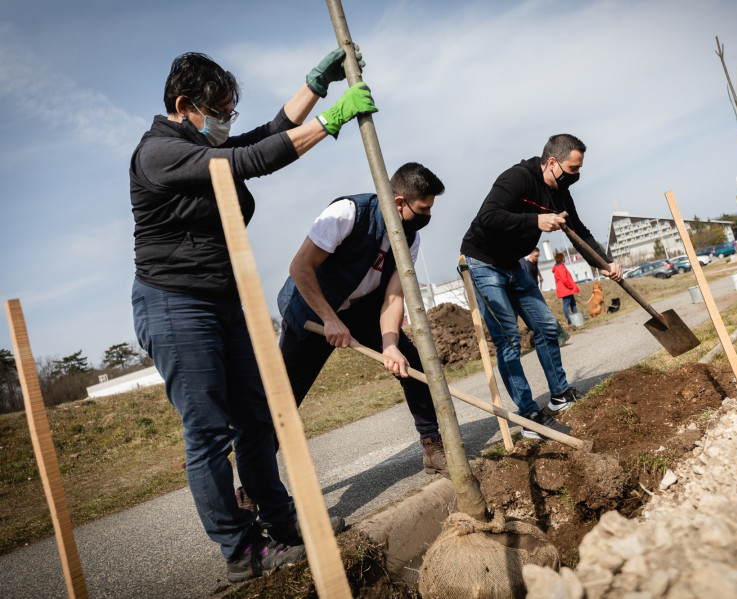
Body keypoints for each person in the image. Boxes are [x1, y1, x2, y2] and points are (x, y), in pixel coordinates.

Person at [130, 49, 377, 583]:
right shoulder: (160, 152)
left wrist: (315, 87)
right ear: (184, 106)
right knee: (208, 432)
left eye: (229, 111)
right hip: (175, 305)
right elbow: (251, 160)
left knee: (257, 418)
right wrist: (332, 121)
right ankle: (241, 550)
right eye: (218, 111)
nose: (226, 121)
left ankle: (284, 524)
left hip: (224, 301)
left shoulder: (200, 143)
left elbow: (266, 135)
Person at [277, 163, 448, 477]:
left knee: (411, 365)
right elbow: (300, 267)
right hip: (311, 311)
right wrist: (329, 318)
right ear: (399, 202)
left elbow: (393, 298)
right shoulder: (347, 214)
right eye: (423, 208)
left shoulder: (409, 239)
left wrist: (390, 345)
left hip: (361, 309)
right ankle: (254, 488)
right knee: (282, 400)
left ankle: (432, 446)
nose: (428, 215)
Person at [460, 133, 623, 439]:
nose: (576, 175)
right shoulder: (517, 178)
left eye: (579, 169)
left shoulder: (560, 193)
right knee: (509, 339)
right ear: (551, 162)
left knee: (547, 327)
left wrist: (606, 262)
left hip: (513, 264)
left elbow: (580, 231)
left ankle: (560, 394)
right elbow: (489, 216)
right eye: (572, 169)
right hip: (483, 262)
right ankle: (529, 416)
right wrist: (535, 220)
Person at [520, 248, 569, 346]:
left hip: (534, 290)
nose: (537, 258)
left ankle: (559, 334)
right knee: (542, 313)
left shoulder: (534, 262)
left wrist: (540, 276)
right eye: (536, 256)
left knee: (544, 313)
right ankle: (558, 335)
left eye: (538, 256)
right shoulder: (527, 265)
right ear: (530, 254)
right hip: (530, 291)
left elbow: (536, 268)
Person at [552, 252, 580, 324]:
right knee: (567, 305)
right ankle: (570, 320)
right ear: (562, 259)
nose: (565, 258)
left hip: (565, 289)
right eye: (564, 257)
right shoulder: (561, 267)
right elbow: (564, 279)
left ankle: (576, 318)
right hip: (566, 290)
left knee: (572, 303)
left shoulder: (558, 267)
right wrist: (570, 286)